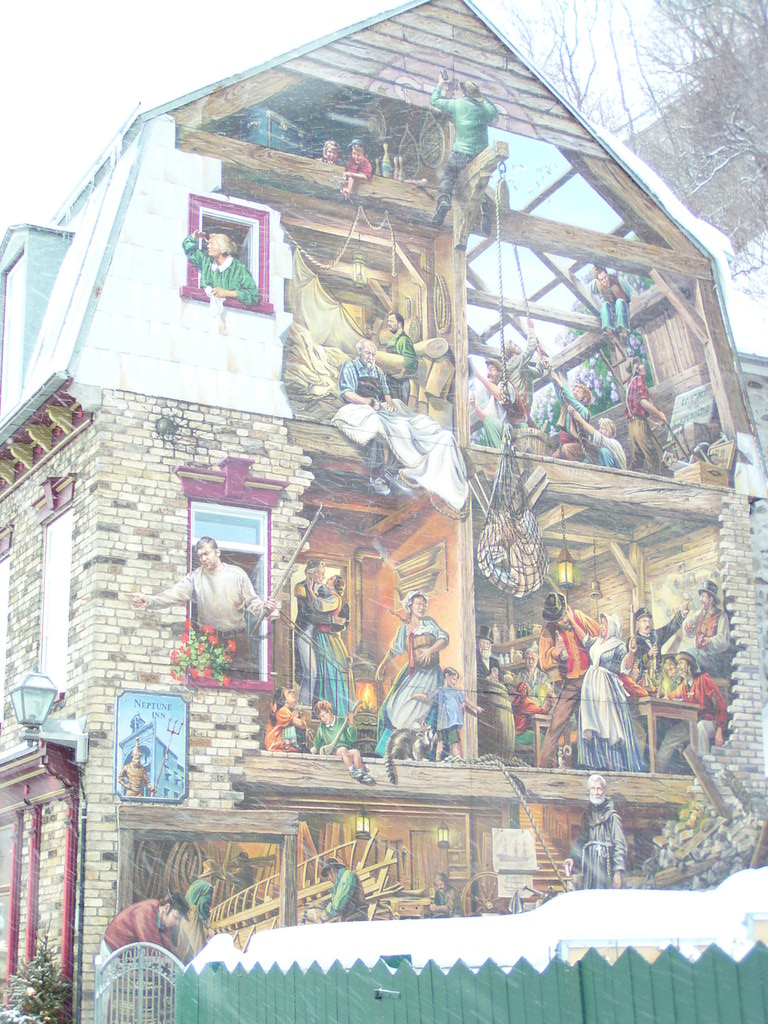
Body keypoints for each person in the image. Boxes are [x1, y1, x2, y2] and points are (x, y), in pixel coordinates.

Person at [333, 337, 468, 511]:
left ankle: (393, 470)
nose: (370, 357)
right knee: (377, 425)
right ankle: (376, 476)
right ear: (360, 352)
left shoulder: (376, 371)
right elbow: (346, 393)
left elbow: (385, 391)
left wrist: (389, 402)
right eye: (367, 353)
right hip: (357, 406)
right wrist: (368, 402)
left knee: (405, 424)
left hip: (376, 405)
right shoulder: (350, 367)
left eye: (373, 354)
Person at [129, 537, 276, 677]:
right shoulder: (195, 578)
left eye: (206, 553)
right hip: (209, 642)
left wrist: (265, 607)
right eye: (200, 556)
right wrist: (150, 600)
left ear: (217, 552)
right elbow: (174, 594)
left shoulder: (237, 575)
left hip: (237, 641)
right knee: (208, 682)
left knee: (240, 682)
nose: (203, 559)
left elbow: (252, 602)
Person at [566, 609, 646, 773]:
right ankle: (594, 763)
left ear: (612, 627)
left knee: (608, 725)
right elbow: (584, 638)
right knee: (593, 723)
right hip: (591, 688)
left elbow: (626, 666)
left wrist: (631, 652)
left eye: (605, 624)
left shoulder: (618, 646)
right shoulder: (596, 643)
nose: (601, 626)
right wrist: (572, 620)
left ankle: (613, 763)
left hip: (607, 688)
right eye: (601, 623)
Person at [375, 591, 449, 756]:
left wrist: (430, 650)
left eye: (423, 604)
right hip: (413, 673)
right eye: (418, 604)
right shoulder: (403, 630)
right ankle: (388, 750)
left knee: (423, 713)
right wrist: (382, 664)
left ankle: (420, 753)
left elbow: (444, 639)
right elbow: (394, 650)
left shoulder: (429, 623)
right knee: (392, 708)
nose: (421, 607)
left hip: (431, 675)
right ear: (410, 606)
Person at [538, 594, 599, 768]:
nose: (561, 621)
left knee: (591, 726)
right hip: (570, 684)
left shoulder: (579, 617)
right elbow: (543, 662)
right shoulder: (548, 632)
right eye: (557, 619)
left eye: (563, 616)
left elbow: (599, 638)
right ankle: (542, 768)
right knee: (556, 724)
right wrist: (554, 653)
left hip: (589, 681)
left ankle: (593, 768)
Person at [430, 75, 498, 230]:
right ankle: (484, 211)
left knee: (448, 179)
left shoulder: (457, 105)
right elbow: (493, 111)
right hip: (478, 157)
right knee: (478, 184)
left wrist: (440, 83)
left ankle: (444, 201)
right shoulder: (484, 111)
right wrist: (481, 97)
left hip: (459, 154)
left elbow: (435, 100)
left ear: (463, 92)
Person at [655, 652, 727, 770]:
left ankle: (703, 769)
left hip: (709, 722)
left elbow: (720, 702)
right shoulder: (683, 686)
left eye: (681, 663)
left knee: (701, 727)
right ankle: (658, 770)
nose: (678, 667)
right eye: (678, 664)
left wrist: (719, 729)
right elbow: (671, 696)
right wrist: (660, 694)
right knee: (671, 736)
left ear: (689, 665)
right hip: (691, 723)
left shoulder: (703, 679)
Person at [182, 230, 259, 333]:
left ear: (222, 248)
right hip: (204, 318)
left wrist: (226, 293)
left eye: (211, 243)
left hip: (231, 322)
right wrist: (194, 236)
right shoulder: (206, 261)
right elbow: (189, 249)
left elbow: (253, 295)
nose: (208, 246)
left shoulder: (238, 268)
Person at [563, 774, 627, 890]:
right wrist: (572, 858)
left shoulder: (612, 816)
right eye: (593, 788)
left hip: (606, 867)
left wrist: (617, 873)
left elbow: (619, 844)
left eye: (599, 789)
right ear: (589, 791)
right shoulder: (588, 815)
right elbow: (581, 840)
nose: (596, 792)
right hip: (590, 868)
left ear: (604, 791)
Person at [414, 666, 482, 759]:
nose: (454, 682)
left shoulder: (456, 691)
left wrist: (475, 707)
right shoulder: (440, 691)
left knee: (454, 742)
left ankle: (457, 758)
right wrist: (416, 694)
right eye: (453, 679)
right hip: (442, 723)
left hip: (453, 722)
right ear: (446, 676)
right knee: (440, 742)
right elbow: (428, 696)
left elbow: (465, 700)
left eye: (456, 680)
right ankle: (437, 759)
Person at [311, 699, 375, 784]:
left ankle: (361, 774)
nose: (323, 719)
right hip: (334, 752)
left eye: (324, 716)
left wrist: (351, 723)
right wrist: (314, 750)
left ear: (329, 711)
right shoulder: (322, 727)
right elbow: (318, 742)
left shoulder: (342, 722)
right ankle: (352, 771)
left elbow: (352, 739)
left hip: (346, 751)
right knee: (342, 749)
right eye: (320, 718)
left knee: (356, 752)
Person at [476, 630, 517, 759]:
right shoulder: (474, 660)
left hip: (495, 698)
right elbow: (474, 679)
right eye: (483, 643)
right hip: (482, 699)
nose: (486, 646)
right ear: (478, 645)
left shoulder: (495, 662)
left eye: (488, 644)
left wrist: (500, 679)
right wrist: (487, 679)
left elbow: (500, 680)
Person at [103, 893, 188, 955]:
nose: (177, 923)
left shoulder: (162, 922)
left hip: (128, 956)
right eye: (176, 917)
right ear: (166, 908)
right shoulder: (146, 912)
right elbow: (152, 948)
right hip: (113, 953)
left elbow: (167, 949)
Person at [678, 579, 731, 677]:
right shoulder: (700, 613)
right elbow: (689, 622)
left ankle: (698, 681)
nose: (700, 599)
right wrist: (687, 626)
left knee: (690, 656)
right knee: (685, 656)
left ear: (711, 599)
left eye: (703, 596)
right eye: (701, 596)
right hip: (700, 655)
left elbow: (724, 641)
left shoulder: (721, 616)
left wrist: (709, 641)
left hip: (714, 658)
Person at [633, 601, 691, 689]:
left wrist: (682, 614)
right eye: (644, 621)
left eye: (649, 621)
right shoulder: (634, 641)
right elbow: (634, 663)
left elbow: (669, 628)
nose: (647, 624)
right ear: (638, 623)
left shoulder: (656, 635)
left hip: (660, 680)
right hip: (644, 682)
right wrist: (648, 655)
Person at [625, 359, 668, 473]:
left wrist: (653, 422)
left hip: (632, 425)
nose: (643, 366)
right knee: (654, 458)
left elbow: (636, 409)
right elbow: (642, 401)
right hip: (639, 426)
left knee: (637, 460)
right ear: (636, 369)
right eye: (640, 364)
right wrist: (659, 414)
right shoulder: (639, 380)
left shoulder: (630, 382)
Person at [180, 860, 224, 958]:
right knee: (200, 949)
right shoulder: (208, 887)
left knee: (183, 949)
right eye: (215, 879)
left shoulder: (195, 884)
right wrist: (208, 926)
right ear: (210, 877)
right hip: (193, 917)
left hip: (185, 916)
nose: (215, 883)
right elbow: (202, 907)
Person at [548, 370, 594, 462]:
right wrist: (553, 379)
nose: (574, 392)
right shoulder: (568, 408)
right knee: (552, 459)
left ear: (584, 399)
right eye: (574, 390)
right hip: (565, 444)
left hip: (580, 447)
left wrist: (558, 380)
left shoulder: (583, 411)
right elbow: (561, 395)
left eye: (578, 392)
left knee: (566, 449)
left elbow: (570, 399)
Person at [565, 405, 627, 470]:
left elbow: (593, 432)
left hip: (617, 471)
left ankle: (607, 473)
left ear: (610, 431)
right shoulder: (602, 444)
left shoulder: (613, 443)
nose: (600, 430)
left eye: (603, 428)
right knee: (587, 461)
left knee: (604, 451)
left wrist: (579, 419)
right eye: (600, 428)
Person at [303, 858, 366, 923]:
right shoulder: (341, 879)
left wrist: (322, 918)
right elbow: (333, 901)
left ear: (332, 871)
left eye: (329, 875)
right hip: (349, 915)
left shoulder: (346, 877)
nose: (330, 879)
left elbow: (336, 906)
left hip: (357, 917)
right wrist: (316, 904)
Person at [590, 266, 634, 347]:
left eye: (605, 277)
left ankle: (623, 331)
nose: (605, 280)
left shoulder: (617, 280)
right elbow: (586, 288)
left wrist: (634, 301)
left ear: (607, 274)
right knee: (605, 304)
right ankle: (609, 331)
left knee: (619, 301)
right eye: (602, 279)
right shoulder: (596, 285)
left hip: (623, 306)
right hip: (613, 311)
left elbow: (632, 293)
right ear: (598, 280)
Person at [384, 312, 418, 404]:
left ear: (399, 324)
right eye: (388, 321)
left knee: (400, 407)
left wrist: (402, 373)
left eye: (392, 321)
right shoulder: (392, 340)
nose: (389, 324)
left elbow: (411, 359)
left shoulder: (404, 340)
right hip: (390, 380)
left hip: (400, 384)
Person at [264, 687, 308, 752]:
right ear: (284, 700)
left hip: (277, 745)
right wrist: (302, 721)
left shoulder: (283, 711)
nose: (292, 693)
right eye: (289, 693)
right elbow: (301, 724)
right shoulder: (283, 711)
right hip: (276, 746)